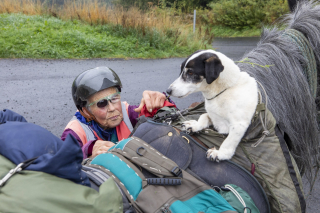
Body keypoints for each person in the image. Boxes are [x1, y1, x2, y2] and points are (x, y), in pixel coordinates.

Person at [61, 67, 167, 159]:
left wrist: (159, 101)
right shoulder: (74, 132)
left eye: (114, 98)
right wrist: (87, 151)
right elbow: (61, 162)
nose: (112, 108)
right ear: (86, 111)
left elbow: (166, 115)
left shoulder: (128, 113)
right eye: (101, 103)